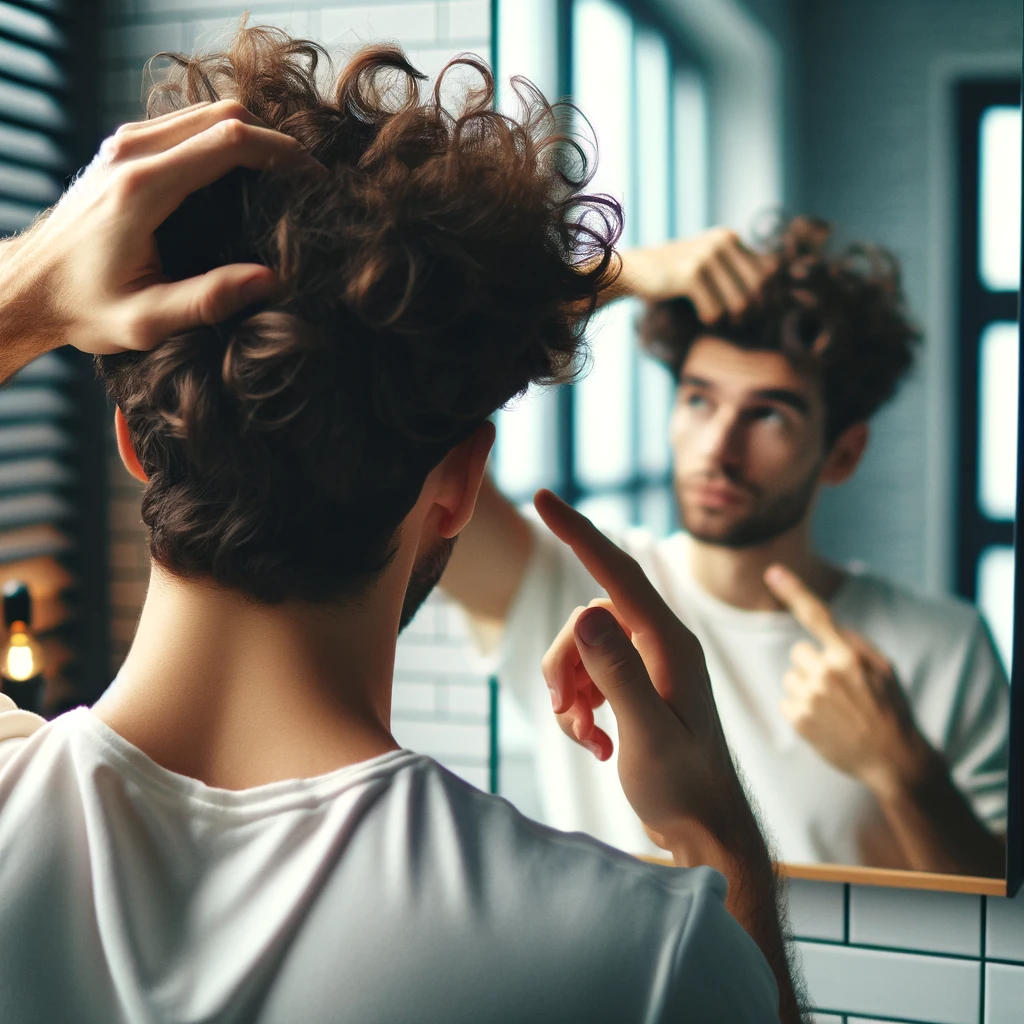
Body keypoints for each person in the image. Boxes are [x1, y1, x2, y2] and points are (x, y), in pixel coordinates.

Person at [0, 28, 801, 1022]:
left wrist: (21, 294)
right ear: (458, 486)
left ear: (133, 439)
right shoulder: (634, 953)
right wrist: (724, 850)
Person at [442, 218, 1010, 877]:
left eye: (768, 414)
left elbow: (1004, 934)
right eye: (699, 401)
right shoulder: (571, 580)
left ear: (844, 452)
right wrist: (618, 278)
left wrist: (903, 771)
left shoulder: (945, 646)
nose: (718, 448)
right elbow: (405, 413)